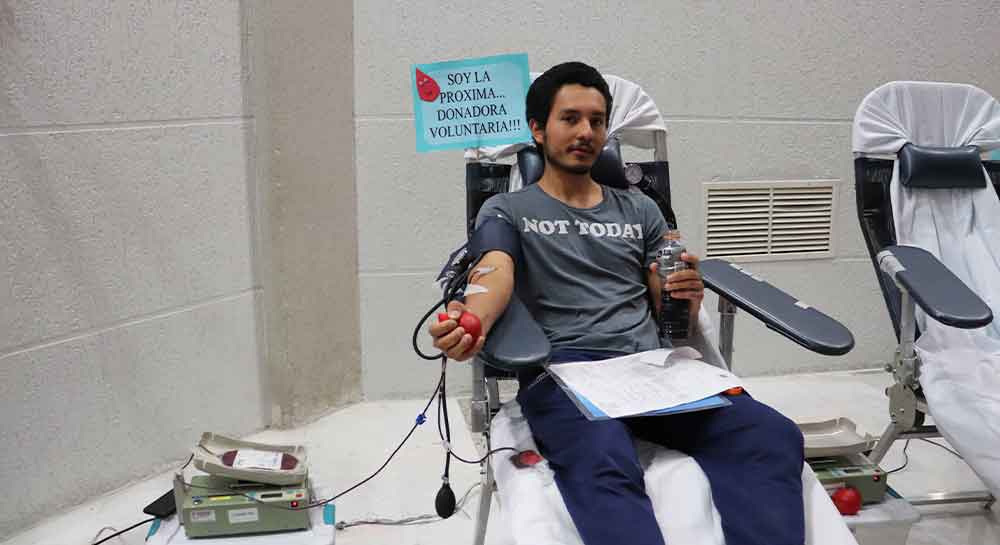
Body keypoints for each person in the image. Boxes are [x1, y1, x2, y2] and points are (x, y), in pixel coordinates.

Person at [429, 61, 804, 545]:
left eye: (597, 120)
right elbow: (493, 272)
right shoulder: (508, 209)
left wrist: (686, 295)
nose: (586, 132)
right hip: (565, 374)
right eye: (570, 118)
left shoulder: (641, 209)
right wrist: (469, 320)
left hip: (650, 371)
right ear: (538, 129)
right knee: (603, 457)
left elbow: (671, 313)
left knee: (770, 435)